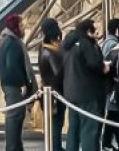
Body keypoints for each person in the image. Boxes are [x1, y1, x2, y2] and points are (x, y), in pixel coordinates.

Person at [64, 19, 108, 151]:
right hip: (87, 92)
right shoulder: (86, 43)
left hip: (71, 92)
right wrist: (103, 67)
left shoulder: (69, 44)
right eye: (96, 30)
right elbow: (93, 63)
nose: (98, 33)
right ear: (89, 31)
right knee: (89, 129)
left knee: (74, 128)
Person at [0, 14, 37, 151]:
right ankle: (12, 147)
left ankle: (16, 147)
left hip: (10, 85)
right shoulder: (12, 42)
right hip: (14, 86)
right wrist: (22, 83)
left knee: (17, 116)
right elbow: (12, 65)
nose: (23, 27)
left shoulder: (7, 41)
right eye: (21, 25)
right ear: (15, 27)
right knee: (15, 117)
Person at [39, 19, 66, 151]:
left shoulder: (44, 48)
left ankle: (56, 146)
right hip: (55, 93)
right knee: (56, 123)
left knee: (55, 123)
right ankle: (56, 147)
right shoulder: (50, 52)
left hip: (49, 90)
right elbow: (58, 73)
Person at [101, 19, 119, 151]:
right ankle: (109, 142)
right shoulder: (113, 45)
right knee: (114, 114)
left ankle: (108, 142)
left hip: (109, 86)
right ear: (117, 30)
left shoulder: (107, 42)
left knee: (113, 114)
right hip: (113, 86)